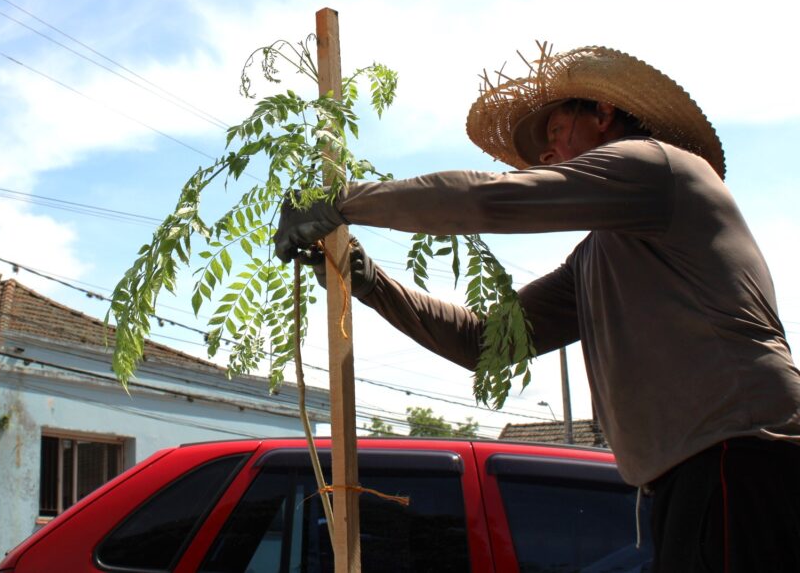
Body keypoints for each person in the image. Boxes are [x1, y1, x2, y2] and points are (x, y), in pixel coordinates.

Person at [274, 44, 800, 572]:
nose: (546, 158)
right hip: (694, 471)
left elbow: (489, 202)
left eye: (553, 134)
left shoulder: (654, 165)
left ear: (603, 113)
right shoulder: (599, 255)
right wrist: (369, 280)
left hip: (744, 454)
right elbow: (484, 342)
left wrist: (342, 202)